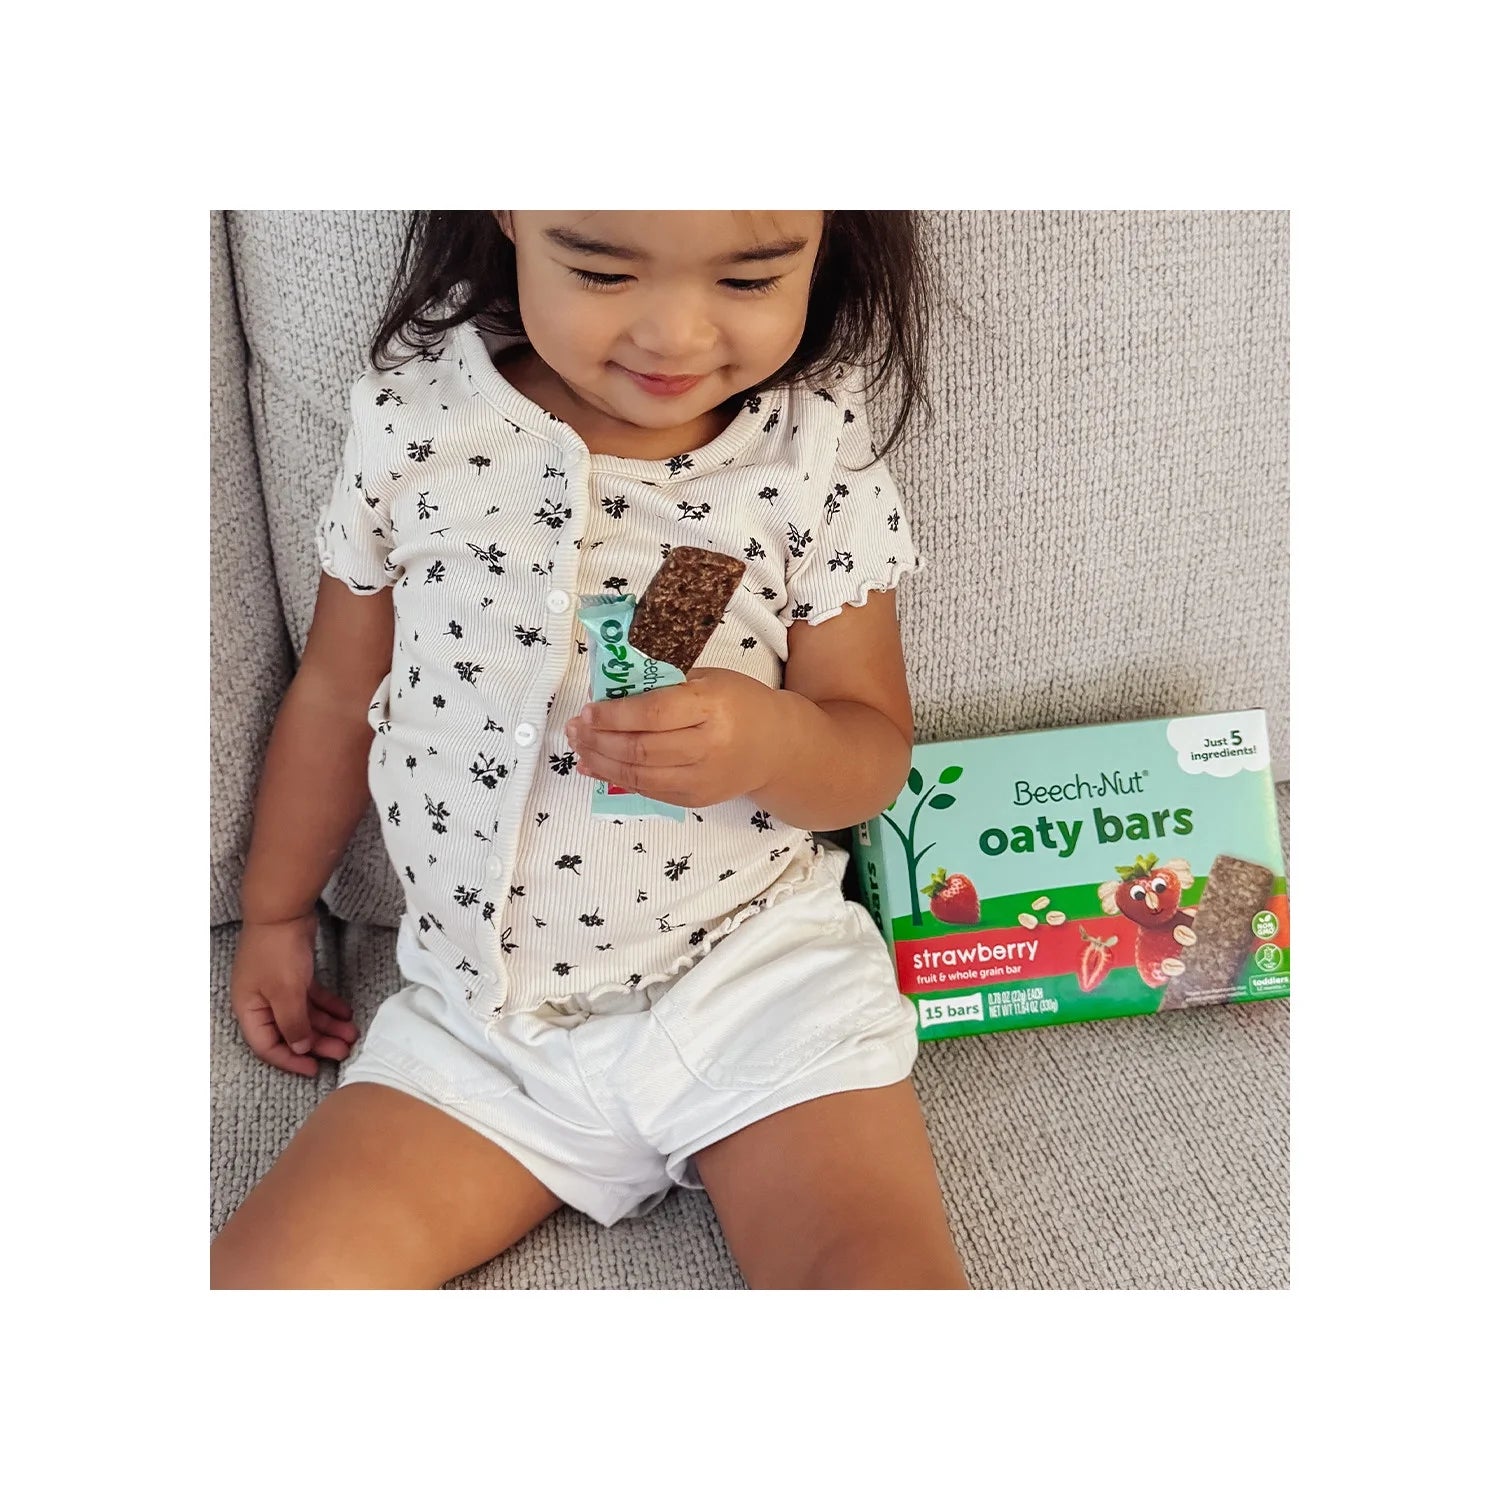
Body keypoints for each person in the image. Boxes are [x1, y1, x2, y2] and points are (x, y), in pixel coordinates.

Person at [210, 210, 969, 1290]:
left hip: (755, 986)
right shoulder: (418, 423)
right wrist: (278, 911)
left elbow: (873, 751)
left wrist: (774, 740)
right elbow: (336, 693)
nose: (674, 336)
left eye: (748, 281)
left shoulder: (809, 453)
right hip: (483, 1035)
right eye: (604, 273)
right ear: (512, 214)